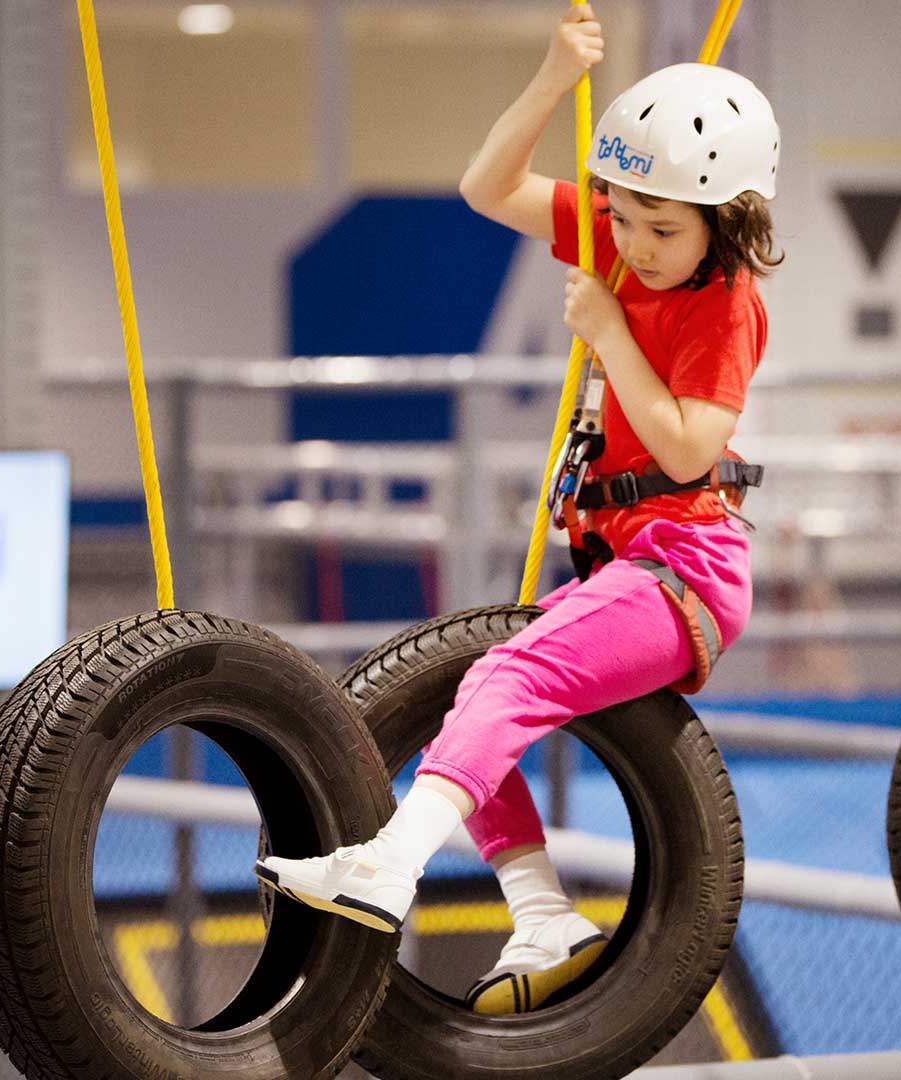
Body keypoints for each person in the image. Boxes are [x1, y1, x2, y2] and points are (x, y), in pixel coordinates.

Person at [258, 2, 780, 1014]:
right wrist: (553, 76)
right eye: (622, 217)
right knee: (480, 695)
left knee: (510, 675)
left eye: (663, 227)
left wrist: (608, 333)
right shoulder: (628, 241)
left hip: (687, 572)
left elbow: (687, 446)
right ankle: (540, 912)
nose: (635, 241)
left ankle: (387, 868)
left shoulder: (724, 302)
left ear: (728, 218)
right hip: (629, 564)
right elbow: (486, 186)